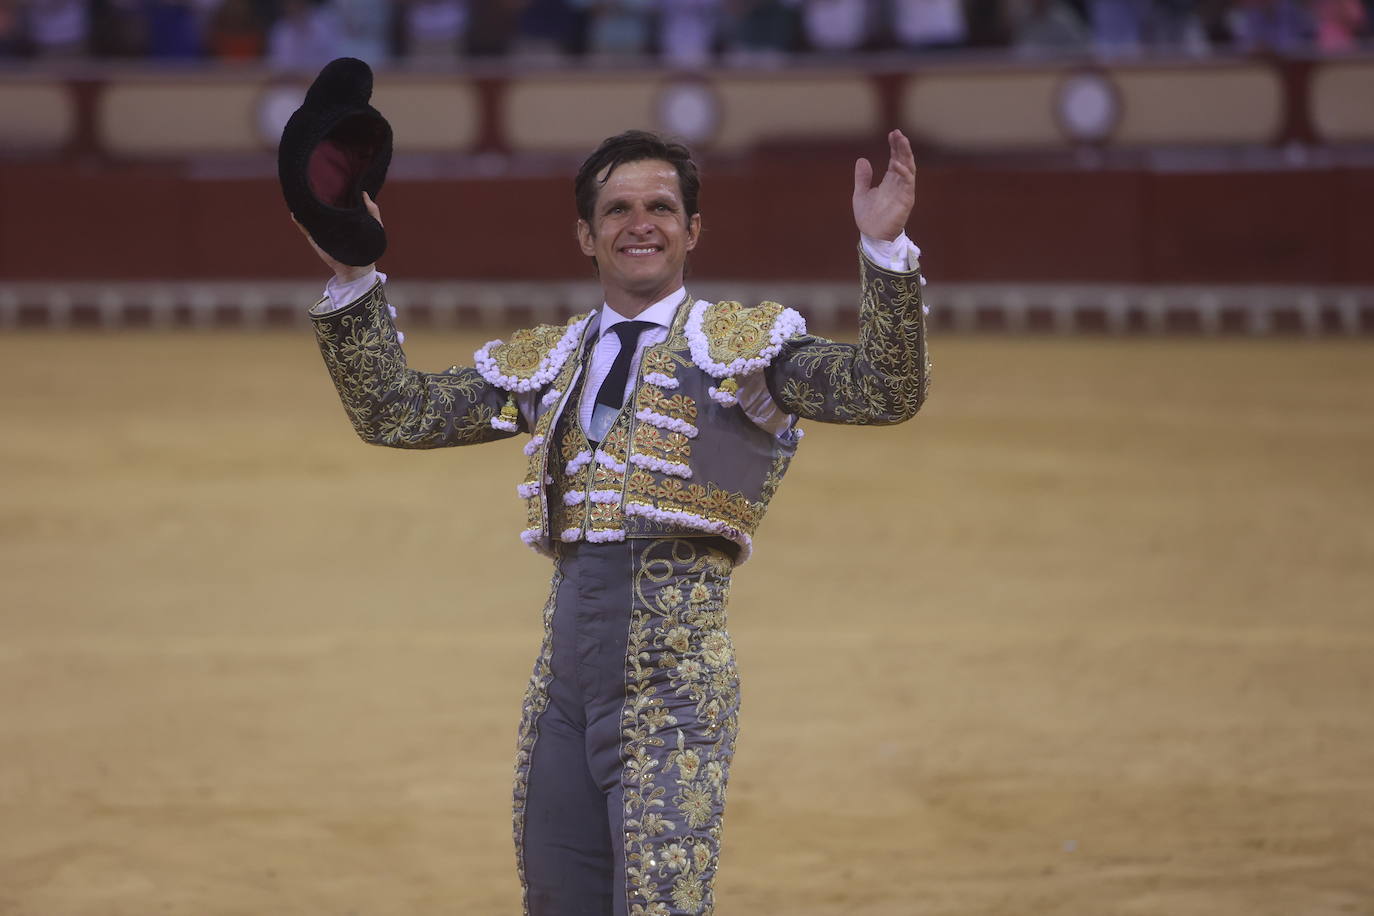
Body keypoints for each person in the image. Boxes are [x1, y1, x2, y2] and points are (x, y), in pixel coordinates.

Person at [297, 128, 928, 916]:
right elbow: (398, 412)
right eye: (619, 208)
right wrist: (355, 275)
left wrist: (885, 245)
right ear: (586, 237)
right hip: (562, 692)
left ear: (692, 230)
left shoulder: (746, 351)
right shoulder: (553, 360)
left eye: (662, 206)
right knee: (559, 901)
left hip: (675, 691)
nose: (642, 222)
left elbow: (884, 390)